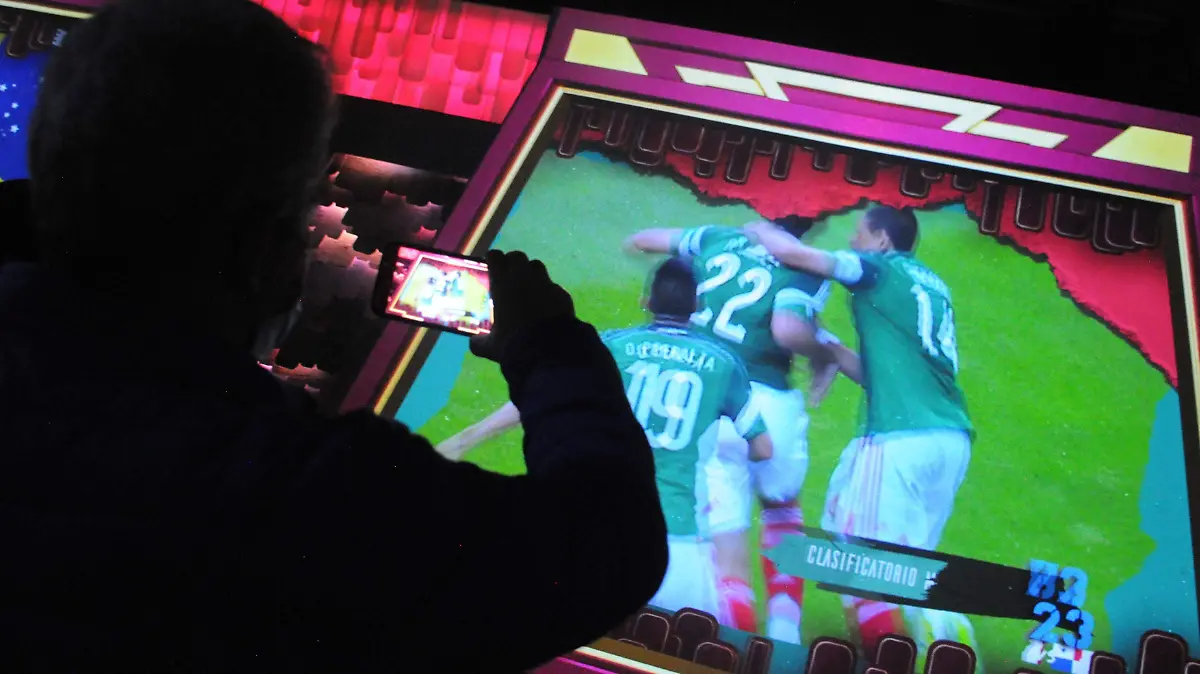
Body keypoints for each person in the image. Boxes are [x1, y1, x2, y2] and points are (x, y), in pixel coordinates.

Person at [0, 0, 666, 671]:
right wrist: (549, 344)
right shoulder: (301, 495)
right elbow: (606, 547)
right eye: (299, 214)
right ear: (266, 254)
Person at [437, 258, 772, 624]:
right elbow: (763, 448)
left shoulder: (611, 346)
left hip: (601, 534)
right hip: (676, 546)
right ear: (696, 306)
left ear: (647, 301)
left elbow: (542, 391)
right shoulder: (723, 363)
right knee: (683, 644)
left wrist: (465, 439)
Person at [744, 206, 977, 661]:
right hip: (949, 440)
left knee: (854, 559)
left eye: (859, 233)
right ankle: (935, 644)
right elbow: (880, 374)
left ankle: (918, 641)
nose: (852, 240)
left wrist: (761, 230)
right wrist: (829, 349)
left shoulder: (879, 269)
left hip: (899, 437)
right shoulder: (932, 284)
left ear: (882, 240)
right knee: (896, 566)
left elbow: (802, 257)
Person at [624, 216, 833, 644]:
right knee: (781, 508)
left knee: (727, 545)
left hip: (712, 400)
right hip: (771, 403)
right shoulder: (808, 264)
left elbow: (645, 238)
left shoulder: (717, 238)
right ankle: (785, 631)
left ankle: (736, 647)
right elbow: (788, 328)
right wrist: (823, 352)